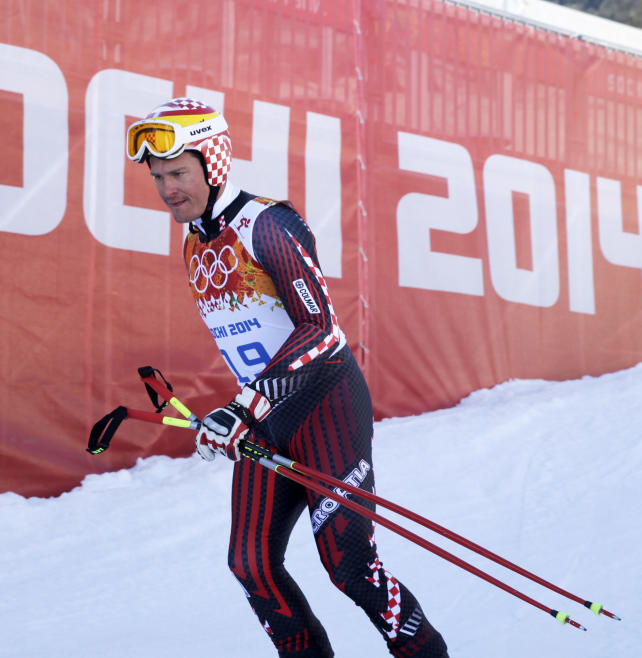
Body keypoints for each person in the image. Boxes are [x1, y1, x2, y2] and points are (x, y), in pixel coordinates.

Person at [126, 97, 449, 658]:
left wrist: (245, 407)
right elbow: (252, 345)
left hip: (326, 404)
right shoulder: (193, 243)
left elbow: (319, 329)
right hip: (266, 416)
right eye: (158, 177)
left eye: (178, 173)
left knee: (349, 566)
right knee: (250, 564)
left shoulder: (267, 224)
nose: (167, 189)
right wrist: (228, 416)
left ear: (214, 160)